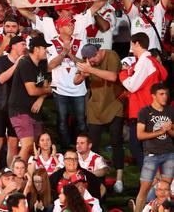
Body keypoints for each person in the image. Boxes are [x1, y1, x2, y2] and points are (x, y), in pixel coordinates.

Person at [76, 43, 125, 192]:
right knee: (93, 144)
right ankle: (93, 177)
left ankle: (119, 179)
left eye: (93, 59)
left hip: (114, 104)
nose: (92, 62)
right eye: (89, 61)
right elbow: (76, 81)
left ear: (98, 53)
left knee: (116, 141)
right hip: (95, 107)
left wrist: (90, 69)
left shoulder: (111, 55)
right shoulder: (89, 62)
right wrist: (83, 73)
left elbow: (112, 76)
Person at [119, 32, 169, 167]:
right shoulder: (146, 62)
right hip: (146, 109)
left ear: (137, 44)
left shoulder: (144, 62)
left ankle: (152, 178)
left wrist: (123, 73)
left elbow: (132, 86)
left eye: (132, 45)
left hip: (144, 111)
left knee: (138, 147)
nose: (132, 49)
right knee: (143, 147)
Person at [8, 36, 53, 161]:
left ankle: (28, 176)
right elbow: (32, 90)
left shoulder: (43, 63)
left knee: (34, 148)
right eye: (44, 48)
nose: (46, 51)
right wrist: (47, 91)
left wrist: (42, 98)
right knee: (27, 145)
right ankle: (16, 177)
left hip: (34, 110)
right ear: (36, 49)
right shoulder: (25, 64)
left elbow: (45, 85)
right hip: (20, 109)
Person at [47, 17, 87, 151]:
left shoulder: (80, 42)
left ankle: (81, 149)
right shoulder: (51, 43)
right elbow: (50, 66)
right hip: (60, 89)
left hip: (79, 89)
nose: (71, 27)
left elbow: (85, 64)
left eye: (72, 24)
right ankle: (65, 149)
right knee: (62, 122)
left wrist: (70, 54)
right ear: (59, 27)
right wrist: (64, 52)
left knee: (81, 122)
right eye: (68, 25)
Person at [0, 35, 25, 176]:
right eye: (22, 44)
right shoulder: (1, 60)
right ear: (14, 46)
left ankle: (11, 175)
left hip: (16, 108)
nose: (25, 47)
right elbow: (2, 78)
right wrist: (17, 64)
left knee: (13, 144)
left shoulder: (25, 61)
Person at [135, 83, 174, 212]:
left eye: (166, 94)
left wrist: (168, 131)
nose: (165, 97)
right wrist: (161, 131)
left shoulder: (170, 111)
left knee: (165, 189)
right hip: (151, 155)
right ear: (153, 96)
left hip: (169, 154)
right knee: (144, 189)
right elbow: (140, 135)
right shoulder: (144, 112)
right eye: (161, 94)